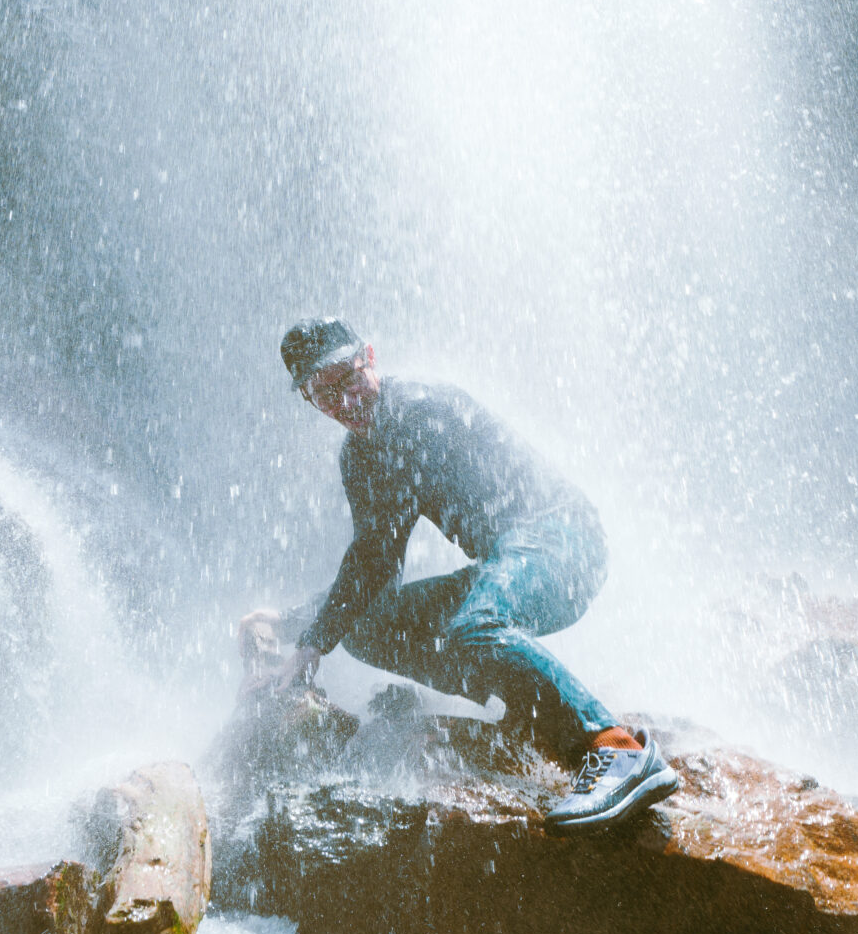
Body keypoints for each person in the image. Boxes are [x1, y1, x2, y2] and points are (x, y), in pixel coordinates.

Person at [253, 317, 678, 831]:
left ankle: (617, 749)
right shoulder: (360, 455)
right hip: (507, 560)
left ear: (370, 356)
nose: (344, 402)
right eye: (323, 393)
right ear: (308, 400)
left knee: (474, 624)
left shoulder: (415, 411)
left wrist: (308, 639)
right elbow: (376, 568)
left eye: (347, 378)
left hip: (564, 540)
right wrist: (306, 629)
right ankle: (529, 709)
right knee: (369, 629)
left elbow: (373, 555)